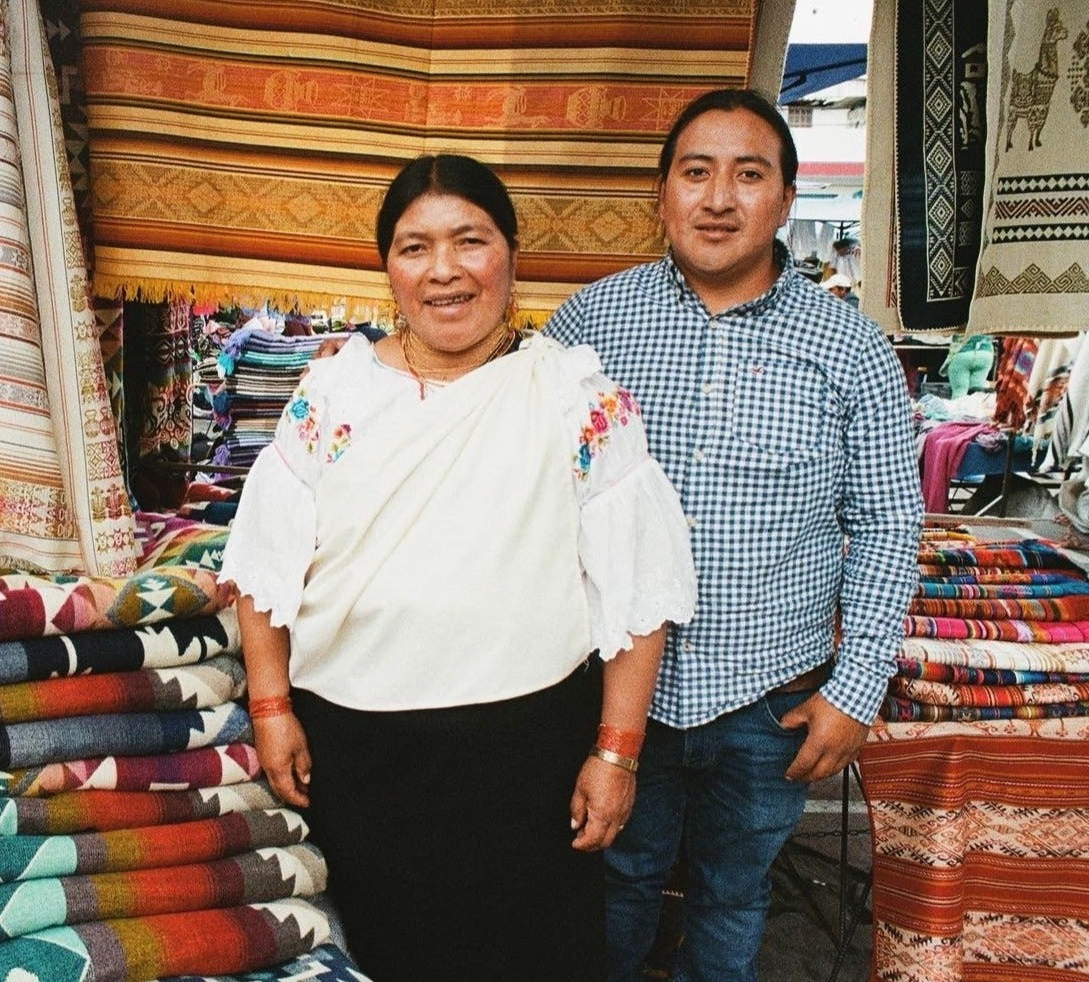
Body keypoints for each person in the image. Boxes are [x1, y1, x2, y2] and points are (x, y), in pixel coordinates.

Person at [219, 153, 697, 982]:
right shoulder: (333, 394)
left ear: (511, 254)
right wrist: (271, 710)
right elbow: (263, 564)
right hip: (357, 760)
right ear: (388, 268)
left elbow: (639, 593)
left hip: (529, 763)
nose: (443, 271)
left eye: (469, 241)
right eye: (415, 247)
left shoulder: (574, 397)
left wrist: (615, 756)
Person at [546, 88, 923, 982]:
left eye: (748, 176)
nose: (719, 199)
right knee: (615, 881)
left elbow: (887, 523)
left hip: (770, 701)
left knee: (732, 892)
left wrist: (857, 687)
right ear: (663, 192)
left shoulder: (852, 349)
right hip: (609, 696)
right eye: (696, 173)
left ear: (786, 200)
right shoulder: (588, 327)